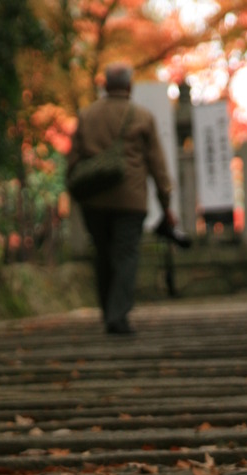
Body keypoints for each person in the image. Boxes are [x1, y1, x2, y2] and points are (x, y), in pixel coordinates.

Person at [67, 63, 175, 335]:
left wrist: (76, 191)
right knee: (126, 255)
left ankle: (108, 311)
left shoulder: (87, 115)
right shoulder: (142, 116)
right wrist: (166, 204)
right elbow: (157, 165)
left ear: (104, 86)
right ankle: (118, 315)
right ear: (129, 86)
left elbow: (73, 161)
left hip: (94, 199)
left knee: (102, 255)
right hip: (131, 200)